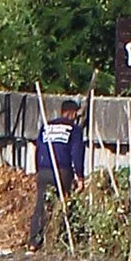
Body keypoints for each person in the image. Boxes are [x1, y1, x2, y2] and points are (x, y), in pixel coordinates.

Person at [27, 99, 86, 250]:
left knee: (40, 205)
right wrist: (80, 176)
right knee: (62, 204)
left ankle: (34, 242)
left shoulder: (46, 126)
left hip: (44, 170)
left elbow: (38, 149)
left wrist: (38, 171)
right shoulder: (74, 129)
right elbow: (77, 153)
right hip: (62, 171)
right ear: (72, 113)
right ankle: (58, 238)